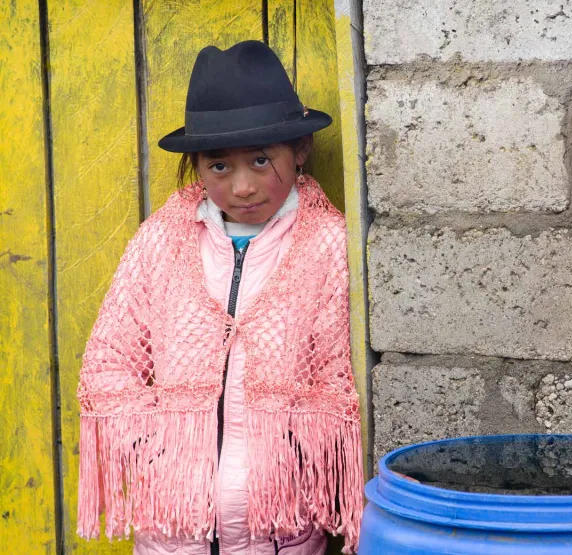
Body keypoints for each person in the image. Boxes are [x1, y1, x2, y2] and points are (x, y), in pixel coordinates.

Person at [76, 41, 363, 555]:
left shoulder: (327, 245)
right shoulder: (162, 240)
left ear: (298, 150)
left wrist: (294, 458)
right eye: (219, 166)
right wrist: (158, 450)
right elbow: (110, 358)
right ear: (197, 165)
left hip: (279, 525)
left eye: (260, 160)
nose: (244, 186)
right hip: (170, 528)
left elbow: (338, 375)